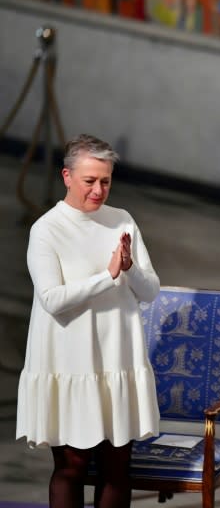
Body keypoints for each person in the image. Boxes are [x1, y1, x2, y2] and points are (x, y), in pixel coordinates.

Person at [15, 134, 161, 508]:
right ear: (67, 176)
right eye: (90, 181)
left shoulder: (122, 221)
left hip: (117, 358)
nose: (99, 190)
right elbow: (52, 300)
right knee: (73, 466)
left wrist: (128, 269)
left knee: (117, 465)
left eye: (106, 181)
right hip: (70, 361)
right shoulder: (47, 230)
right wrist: (108, 276)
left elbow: (150, 291)